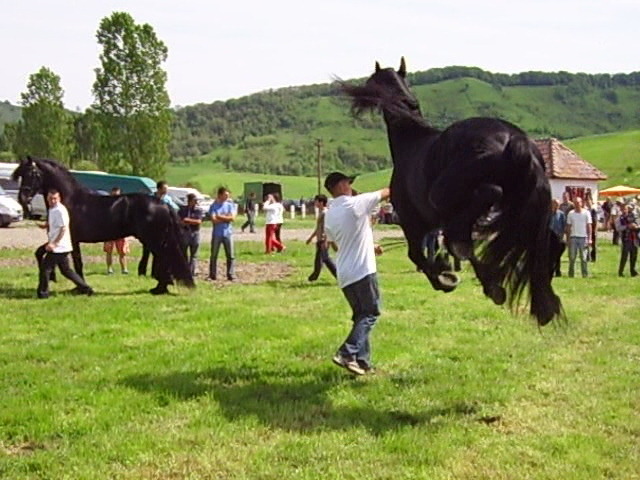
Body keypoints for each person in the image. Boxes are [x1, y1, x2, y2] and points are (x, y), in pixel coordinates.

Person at [324, 171, 390, 376]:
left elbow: (338, 243)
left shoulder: (329, 214)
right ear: (341, 186)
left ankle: (362, 362)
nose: (350, 186)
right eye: (347, 182)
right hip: (362, 270)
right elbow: (388, 192)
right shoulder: (355, 203)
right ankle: (347, 352)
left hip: (344, 273)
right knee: (371, 312)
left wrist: (371, 245)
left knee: (360, 316)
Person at [37, 189, 93, 299]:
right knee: (66, 271)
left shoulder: (60, 210)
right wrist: (46, 225)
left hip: (60, 247)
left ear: (59, 199)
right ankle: (86, 289)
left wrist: (54, 244)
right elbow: (56, 224)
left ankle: (43, 293)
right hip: (59, 246)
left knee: (46, 268)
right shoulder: (52, 210)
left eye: (55, 199)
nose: (52, 201)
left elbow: (63, 228)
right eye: (50, 199)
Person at [138, 180, 180, 276]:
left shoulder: (167, 199)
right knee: (146, 252)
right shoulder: (150, 198)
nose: (166, 191)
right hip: (148, 229)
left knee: (156, 253)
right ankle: (142, 272)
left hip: (159, 228)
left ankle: (154, 273)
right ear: (159, 189)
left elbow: (175, 209)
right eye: (165, 189)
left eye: (166, 189)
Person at [305, 194, 337, 281]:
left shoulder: (325, 213)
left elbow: (327, 227)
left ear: (321, 202)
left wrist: (326, 240)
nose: (315, 203)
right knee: (320, 259)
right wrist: (311, 237)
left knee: (325, 259)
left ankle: (339, 275)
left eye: (316, 201)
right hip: (320, 239)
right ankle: (313, 277)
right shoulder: (321, 212)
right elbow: (318, 227)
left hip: (323, 240)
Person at [208, 186, 236, 281]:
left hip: (228, 233)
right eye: (225, 195)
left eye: (228, 195)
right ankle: (212, 275)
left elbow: (232, 218)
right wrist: (225, 218)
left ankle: (231, 274)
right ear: (220, 195)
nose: (227, 197)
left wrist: (220, 216)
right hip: (217, 234)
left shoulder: (230, 205)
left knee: (230, 255)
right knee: (214, 255)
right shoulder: (214, 206)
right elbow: (214, 220)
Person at [103, 187, 130, 274]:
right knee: (109, 251)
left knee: (122, 251)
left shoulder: (124, 205)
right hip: (109, 231)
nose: (115, 197)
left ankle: (124, 269)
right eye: (114, 195)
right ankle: (109, 269)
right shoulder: (106, 205)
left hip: (121, 231)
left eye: (117, 195)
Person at [565, 197, 592, 278]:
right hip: (573, 237)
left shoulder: (586, 213)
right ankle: (571, 274)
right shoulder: (571, 213)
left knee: (583, 258)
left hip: (583, 237)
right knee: (572, 258)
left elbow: (589, 226)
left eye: (578, 202)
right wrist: (568, 239)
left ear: (581, 203)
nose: (577, 204)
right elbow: (568, 227)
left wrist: (590, 238)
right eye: (575, 203)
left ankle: (584, 274)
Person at [178, 193, 204, 277]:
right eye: (194, 201)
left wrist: (187, 220)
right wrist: (184, 222)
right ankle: (183, 270)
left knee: (194, 254)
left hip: (194, 233)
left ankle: (191, 271)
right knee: (183, 252)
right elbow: (179, 221)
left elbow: (198, 221)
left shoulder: (198, 210)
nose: (196, 202)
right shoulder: (182, 210)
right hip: (185, 233)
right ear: (189, 201)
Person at [616, 203, 638, 277]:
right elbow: (618, 228)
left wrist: (635, 226)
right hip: (626, 239)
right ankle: (620, 272)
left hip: (634, 238)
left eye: (625, 209)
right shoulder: (619, 218)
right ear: (621, 210)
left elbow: (638, 223)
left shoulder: (633, 216)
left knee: (634, 256)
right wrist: (627, 226)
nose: (624, 210)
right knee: (624, 256)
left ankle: (633, 271)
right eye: (623, 209)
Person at [549, 198, 567, 277]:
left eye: (558, 204)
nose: (556, 206)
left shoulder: (561, 214)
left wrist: (562, 235)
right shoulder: (548, 214)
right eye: (555, 204)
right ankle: (550, 271)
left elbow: (564, 226)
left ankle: (557, 271)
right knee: (550, 256)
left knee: (557, 256)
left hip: (558, 238)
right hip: (549, 238)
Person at [585, 194, 598, 262]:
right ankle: (587, 257)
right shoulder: (585, 211)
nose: (588, 202)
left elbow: (595, 221)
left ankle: (594, 257)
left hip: (593, 229)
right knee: (586, 244)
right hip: (586, 230)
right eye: (587, 201)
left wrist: (595, 230)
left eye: (589, 201)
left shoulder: (593, 211)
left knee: (593, 244)